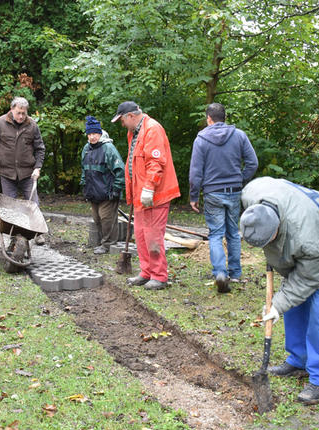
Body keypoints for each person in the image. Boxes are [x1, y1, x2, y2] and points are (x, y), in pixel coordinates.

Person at [240, 176, 319, 405]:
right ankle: (298, 359)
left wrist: (278, 305)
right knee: (292, 304)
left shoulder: (306, 238)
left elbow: (307, 279)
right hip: (301, 237)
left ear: (276, 230)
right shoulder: (251, 194)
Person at [189, 103, 258, 293]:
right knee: (233, 233)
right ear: (224, 118)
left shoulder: (201, 139)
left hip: (213, 192)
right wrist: (240, 179)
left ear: (209, 119)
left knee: (216, 234)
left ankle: (220, 272)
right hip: (234, 191)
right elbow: (253, 162)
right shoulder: (239, 136)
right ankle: (235, 273)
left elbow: (195, 172)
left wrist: (194, 195)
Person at [111, 101, 180, 290]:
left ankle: (159, 275)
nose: (122, 124)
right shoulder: (134, 133)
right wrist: (135, 192)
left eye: (122, 120)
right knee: (140, 234)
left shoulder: (153, 129)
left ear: (130, 116)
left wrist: (149, 188)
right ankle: (146, 271)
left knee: (153, 235)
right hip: (141, 195)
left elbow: (156, 162)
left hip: (155, 194)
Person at [0, 97, 46, 205]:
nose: (21, 116)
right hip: (7, 173)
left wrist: (37, 168)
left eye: (24, 113)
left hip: (28, 174)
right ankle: (8, 222)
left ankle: (31, 222)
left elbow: (40, 148)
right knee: (10, 208)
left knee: (34, 206)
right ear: (11, 109)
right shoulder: (0, 123)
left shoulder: (32, 125)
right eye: (18, 113)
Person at [80, 115, 125, 254]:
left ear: (100, 133)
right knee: (97, 218)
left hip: (108, 191)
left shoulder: (108, 148)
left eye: (95, 133)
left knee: (106, 218)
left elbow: (120, 170)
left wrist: (117, 189)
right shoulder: (86, 149)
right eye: (90, 134)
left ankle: (108, 244)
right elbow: (84, 169)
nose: (92, 137)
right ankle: (102, 242)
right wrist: (83, 185)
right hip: (93, 191)